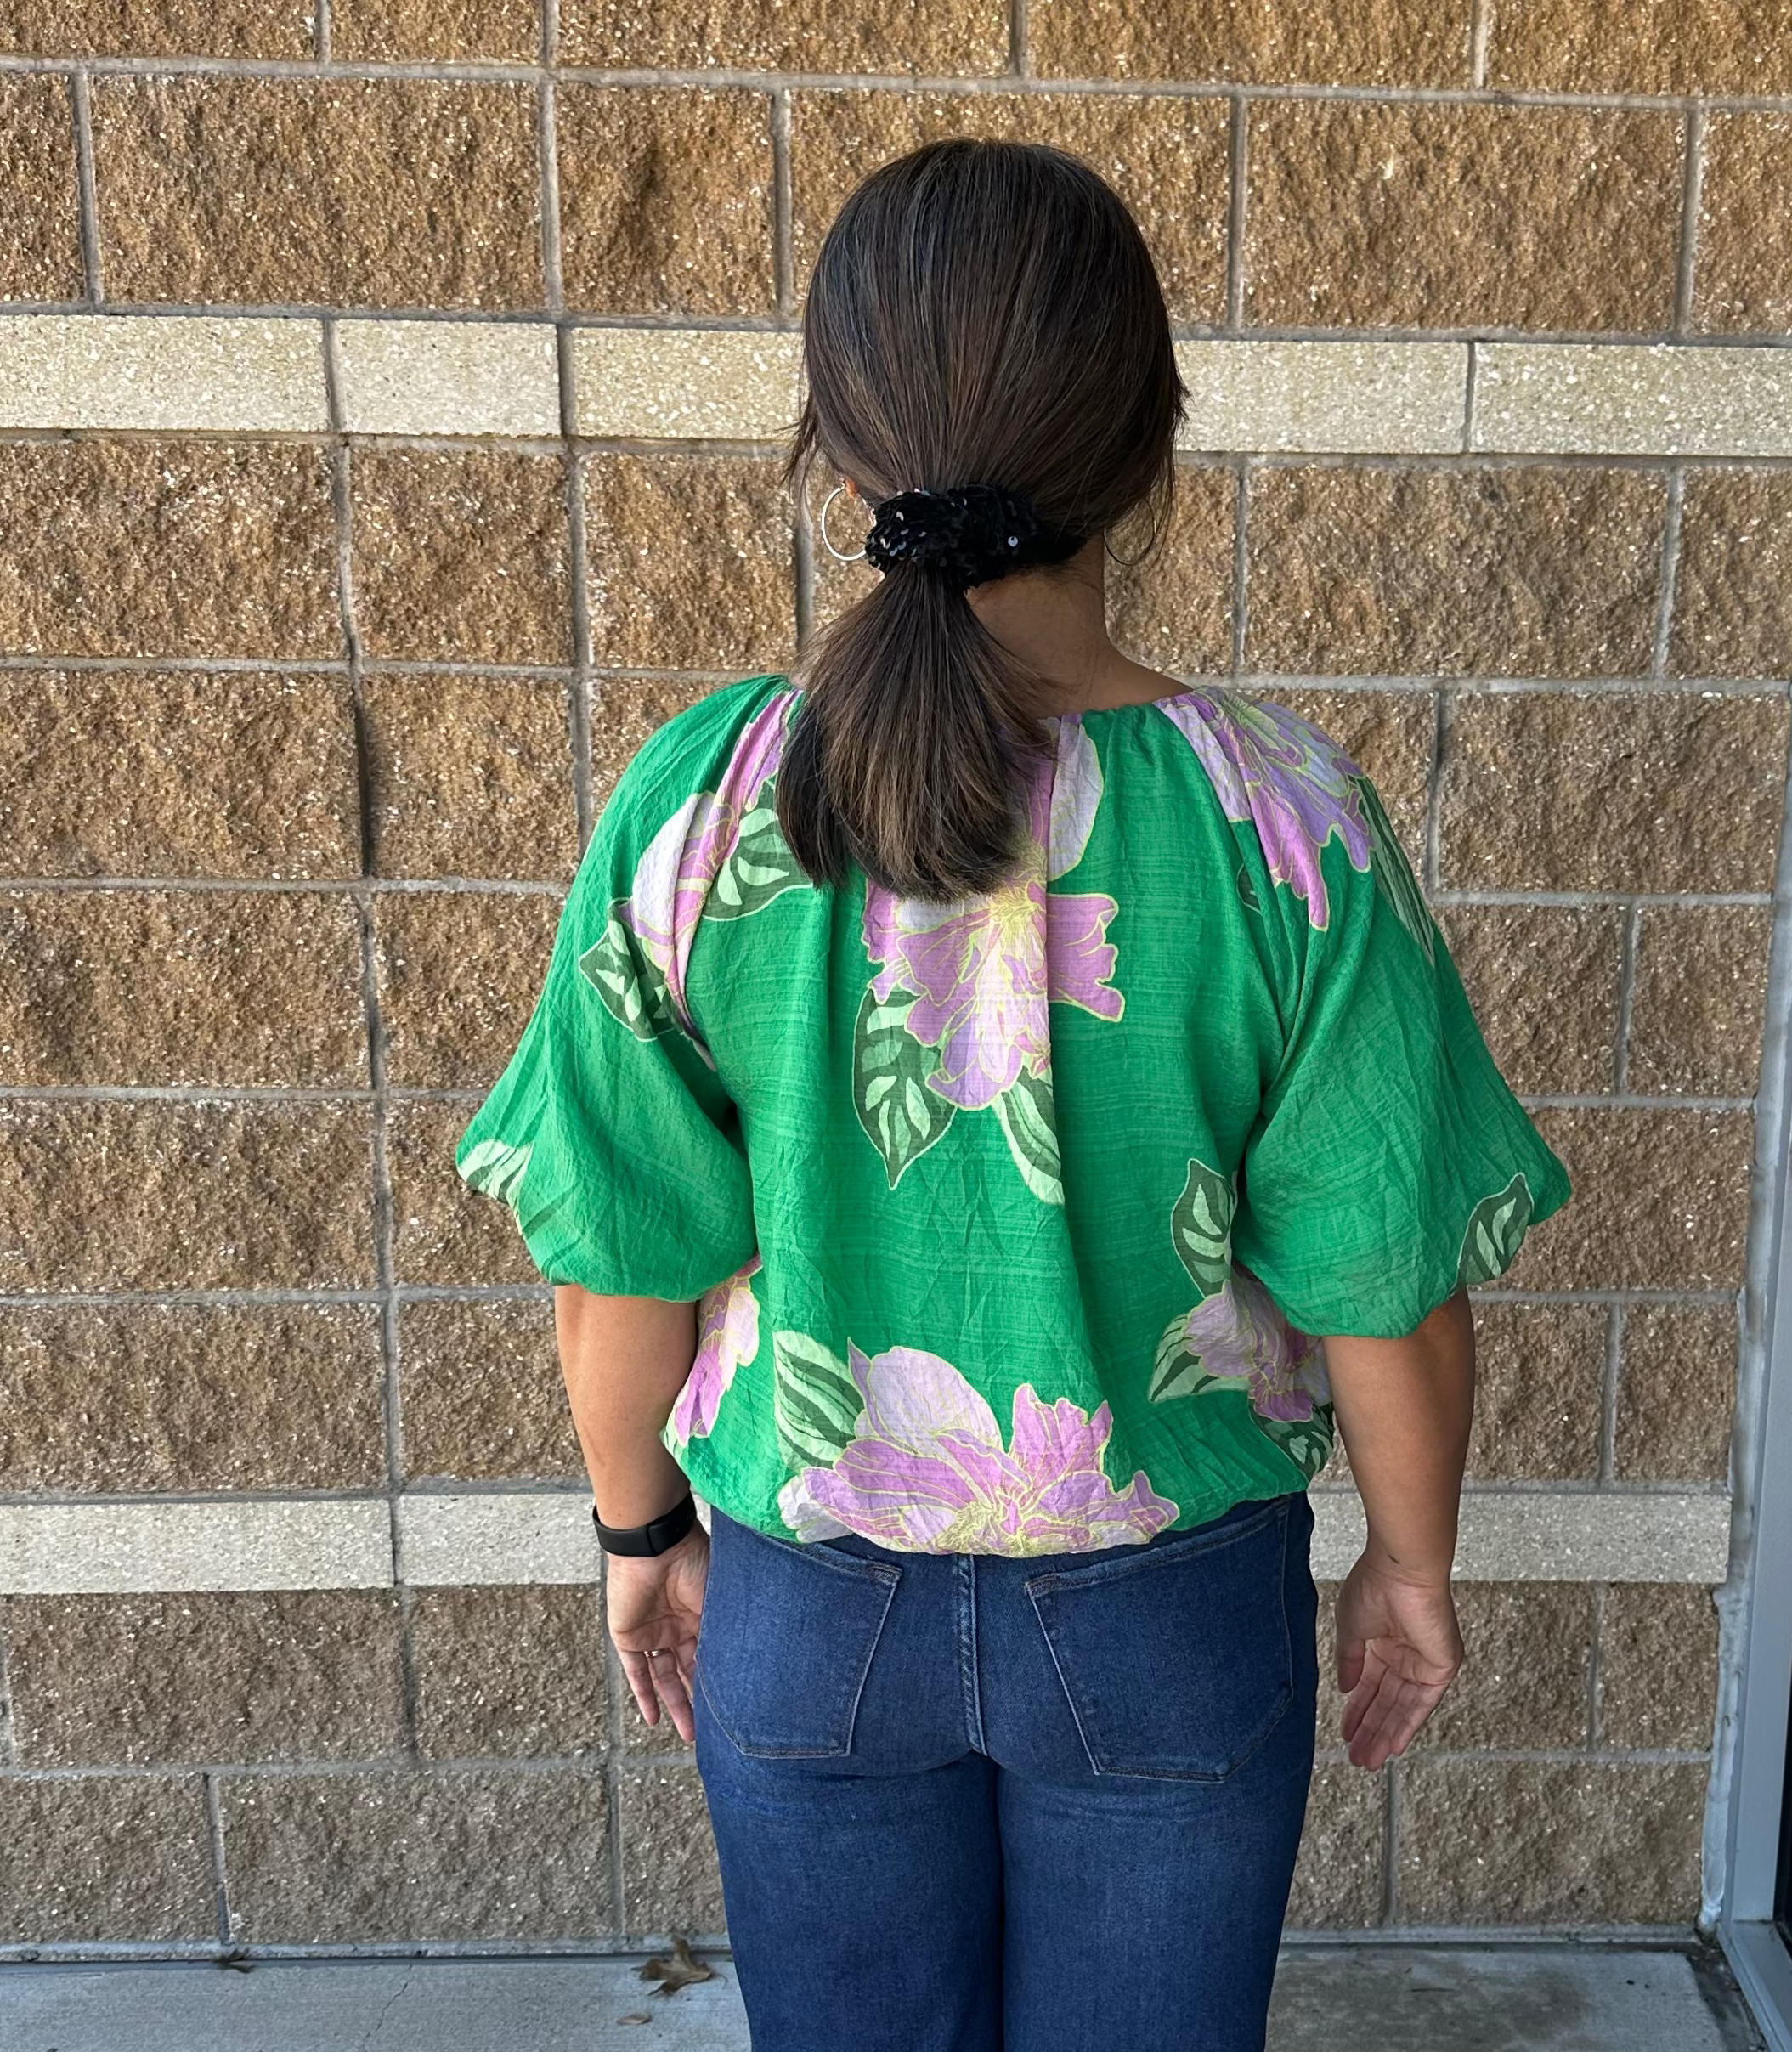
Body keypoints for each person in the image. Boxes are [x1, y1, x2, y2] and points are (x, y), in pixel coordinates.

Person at [457, 137, 1569, 2052]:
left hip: (808, 1610)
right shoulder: (1280, 821)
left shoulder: (706, 804)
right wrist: (1407, 1561)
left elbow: (619, 1256)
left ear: (838, 441)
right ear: (1148, 439)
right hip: (1168, 1619)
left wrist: (639, 1534)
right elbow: (1381, 1277)